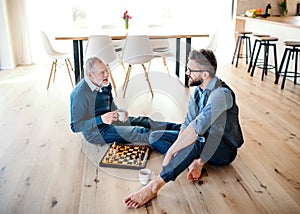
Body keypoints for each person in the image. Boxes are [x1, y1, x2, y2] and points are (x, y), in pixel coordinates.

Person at [123, 49, 244, 208]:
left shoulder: (221, 94)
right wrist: (184, 149)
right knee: (155, 136)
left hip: (224, 149)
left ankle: (155, 185)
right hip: (202, 138)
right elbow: (188, 123)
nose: (187, 73)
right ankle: (190, 157)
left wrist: (173, 151)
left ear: (205, 74)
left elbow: (196, 128)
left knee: (197, 138)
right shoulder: (199, 91)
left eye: (190, 70)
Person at [70, 56, 180, 145]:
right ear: (90, 75)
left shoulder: (104, 83)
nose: (107, 75)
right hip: (96, 132)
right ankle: (180, 139)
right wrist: (101, 119)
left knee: (144, 121)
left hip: (111, 119)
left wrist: (118, 111)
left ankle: (182, 128)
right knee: (139, 131)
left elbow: (110, 104)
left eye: (107, 71)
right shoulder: (79, 95)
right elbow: (75, 126)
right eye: (102, 73)